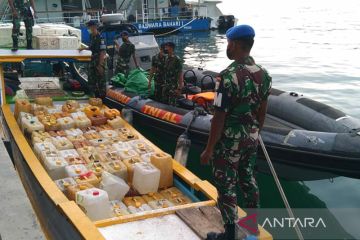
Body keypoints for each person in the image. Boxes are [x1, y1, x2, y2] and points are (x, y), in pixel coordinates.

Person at [200, 25, 272, 240]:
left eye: (229, 43)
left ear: (236, 44)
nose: (227, 47)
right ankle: (251, 227)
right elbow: (263, 111)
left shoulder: (227, 77)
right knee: (248, 180)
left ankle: (229, 234)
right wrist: (254, 132)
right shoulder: (264, 74)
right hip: (251, 137)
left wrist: (209, 149)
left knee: (227, 184)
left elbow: (219, 116)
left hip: (229, 141)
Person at [83, 20, 107, 99]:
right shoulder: (92, 36)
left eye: (89, 27)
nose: (88, 29)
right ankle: (95, 98)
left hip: (99, 61)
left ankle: (102, 100)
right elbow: (91, 47)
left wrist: (100, 65)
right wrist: (83, 48)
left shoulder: (101, 38)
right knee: (92, 81)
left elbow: (102, 52)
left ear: (94, 27)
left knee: (101, 82)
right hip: (92, 61)